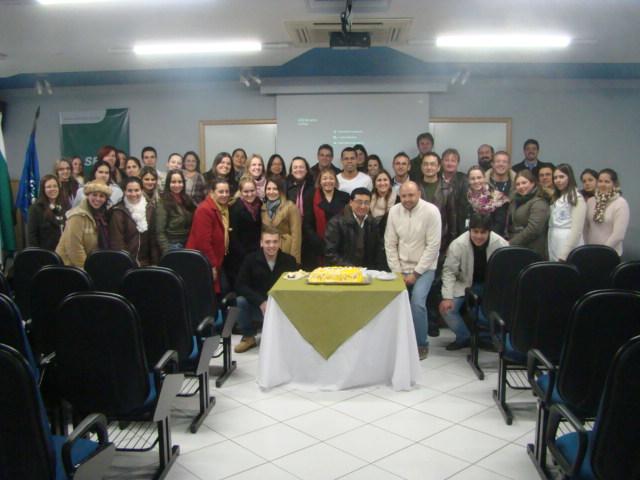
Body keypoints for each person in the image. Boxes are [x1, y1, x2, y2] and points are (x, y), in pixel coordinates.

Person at [385, 181, 441, 360]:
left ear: (419, 194)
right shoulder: (394, 211)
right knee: (393, 302)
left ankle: (421, 344)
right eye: (403, 196)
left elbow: (433, 246)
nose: (407, 199)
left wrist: (416, 274)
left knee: (417, 303)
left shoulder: (431, 211)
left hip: (424, 268)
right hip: (400, 268)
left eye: (411, 195)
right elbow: (390, 243)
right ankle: (397, 343)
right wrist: (397, 272)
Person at [439, 214, 509, 350]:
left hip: (492, 287)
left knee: (486, 314)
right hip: (464, 284)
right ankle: (465, 337)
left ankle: (488, 339)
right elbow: (449, 272)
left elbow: (506, 272)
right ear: (469, 230)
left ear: (489, 232)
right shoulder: (458, 244)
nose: (478, 236)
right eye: (475, 231)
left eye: (483, 232)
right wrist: (447, 297)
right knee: (447, 310)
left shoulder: (501, 244)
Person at [233, 227, 298, 353]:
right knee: (240, 301)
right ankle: (248, 337)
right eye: (267, 242)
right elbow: (240, 286)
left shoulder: (289, 261)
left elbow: (294, 287)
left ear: (280, 243)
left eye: (275, 242)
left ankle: (286, 337)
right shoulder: (250, 259)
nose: (271, 245)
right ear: (261, 243)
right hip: (258, 308)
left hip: (281, 308)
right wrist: (261, 302)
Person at [186, 178, 232, 294]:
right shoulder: (204, 210)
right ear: (212, 192)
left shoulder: (223, 208)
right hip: (204, 262)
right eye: (221, 192)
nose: (224, 195)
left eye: (227, 191)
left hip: (216, 260)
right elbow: (203, 243)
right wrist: (212, 265)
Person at [324, 188, 386, 269]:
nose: (363, 206)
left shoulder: (372, 222)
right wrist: (352, 268)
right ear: (351, 202)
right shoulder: (336, 223)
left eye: (366, 203)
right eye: (359, 202)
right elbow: (330, 253)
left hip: (367, 271)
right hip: (343, 271)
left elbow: (377, 250)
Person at [56, 180, 111, 268]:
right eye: (94, 195)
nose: (98, 199)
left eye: (102, 196)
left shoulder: (102, 216)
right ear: (88, 195)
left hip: (89, 264)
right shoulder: (77, 216)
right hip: (69, 267)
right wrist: (86, 269)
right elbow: (73, 247)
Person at [109, 177, 159, 266]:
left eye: (137, 190)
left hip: (146, 262)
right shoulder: (118, 211)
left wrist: (155, 263)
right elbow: (117, 242)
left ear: (142, 190)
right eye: (130, 190)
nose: (133, 194)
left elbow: (153, 239)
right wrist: (126, 263)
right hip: (126, 263)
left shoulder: (150, 208)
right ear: (124, 191)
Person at [584, 168, 630, 256]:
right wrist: (587, 248)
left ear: (614, 184)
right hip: (590, 251)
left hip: (610, 253)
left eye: (607, 182)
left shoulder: (620, 203)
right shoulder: (591, 201)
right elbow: (585, 228)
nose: (603, 184)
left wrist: (602, 251)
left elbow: (618, 235)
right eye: (600, 181)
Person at [417, 152, 457, 252]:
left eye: (432, 164)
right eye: (425, 164)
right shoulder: (414, 187)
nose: (429, 167)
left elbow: (452, 219)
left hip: (441, 241)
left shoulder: (447, 189)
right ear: (421, 167)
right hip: (417, 241)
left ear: (439, 167)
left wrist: (450, 243)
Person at [227, 178, 262, 289]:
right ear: (241, 192)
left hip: (257, 250)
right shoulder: (235, 208)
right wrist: (245, 255)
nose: (249, 194)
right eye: (246, 192)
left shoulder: (260, 205)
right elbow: (233, 237)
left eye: (252, 191)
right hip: (241, 254)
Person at [507, 170, 550, 258]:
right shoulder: (515, 200)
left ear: (532, 183)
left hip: (533, 249)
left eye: (524, 183)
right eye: (518, 184)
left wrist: (511, 243)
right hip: (517, 248)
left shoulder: (539, 202)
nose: (521, 186)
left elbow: (534, 229)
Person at [548, 164, 586, 261]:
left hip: (568, 243)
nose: (558, 180)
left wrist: (564, 254)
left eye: (561, 177)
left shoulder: (577, 198)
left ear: (570, 178)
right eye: (555, 178)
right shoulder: (557, 197)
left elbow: (577, 230)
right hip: (554, 240)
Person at [311, 168, 349, 265]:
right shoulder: (312, 197)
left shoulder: (345, 197)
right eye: (324, 178)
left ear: (335, 181)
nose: (328, 181)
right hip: (319, 242)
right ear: (320, 181)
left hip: (341, 242)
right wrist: (317, 240)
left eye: (331, 178)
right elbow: (308, 223)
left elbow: (349, 219)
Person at [286, 156, 318, 270]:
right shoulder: (286, 186)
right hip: (291, 232)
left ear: (307, 169)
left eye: (301, 167)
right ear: (291, 170)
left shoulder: (314, 186)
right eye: (295, 167)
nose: (298, 169)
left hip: (310, 233)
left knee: (310, 267)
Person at [261, 178, 302, 265]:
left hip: (285, 249)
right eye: (268, 189)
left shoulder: (290, 206)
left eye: (275, 189)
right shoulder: (262, 208)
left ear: (281, 191)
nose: (271, 192)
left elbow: (296, 235)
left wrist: (295, 260)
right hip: (268, 251)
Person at [155, 169, 195, 255]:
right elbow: (160, 232)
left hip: (188, 243)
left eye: (180, 182)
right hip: (172, 245)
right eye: (173, 182)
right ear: (168, 184)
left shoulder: (187, 199)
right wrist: (167, 251)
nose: (177, 185)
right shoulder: (162, 202)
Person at [466, 166, 510, 236]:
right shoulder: (465, 197)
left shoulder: (497, 197)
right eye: (472, 179)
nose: (476, 181)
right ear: (468, 180)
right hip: (470, 236)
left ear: (484, 178)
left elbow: (499, 225)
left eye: (479, 178)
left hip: (492, 237)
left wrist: (486, 237)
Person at [27, 175, 65, 251]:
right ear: (43, 190)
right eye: (48, 187)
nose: (52, 189)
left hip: (63, 252)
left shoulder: (64, 205)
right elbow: (32, 236)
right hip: (45, 253)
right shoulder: (35, 208)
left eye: (55, 186)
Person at [441, 148, 469, 237]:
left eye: (453, 161)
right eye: (446, 160)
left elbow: (465, 206)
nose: (449, 163)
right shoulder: (436, 178)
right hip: (440, 221)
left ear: (457, 163)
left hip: (458, 223)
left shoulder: (464, 179)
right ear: (442, 162)